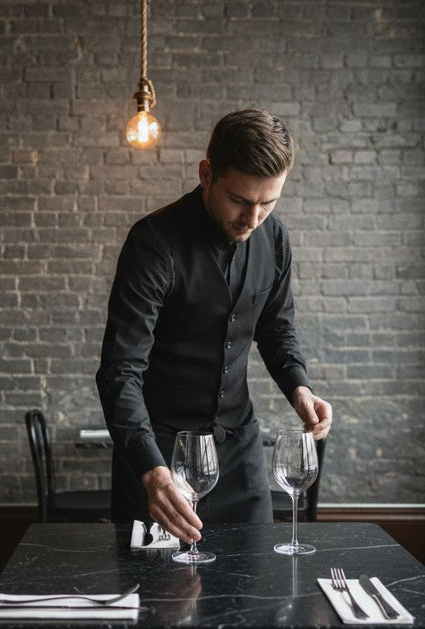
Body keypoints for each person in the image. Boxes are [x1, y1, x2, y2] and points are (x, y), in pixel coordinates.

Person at [96, 109, 332, 544]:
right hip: (160, 461)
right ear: (206, 174)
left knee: (254, 594)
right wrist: (152, 472)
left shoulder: (274, 239)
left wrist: (300, 388)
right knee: (161, 602)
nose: (253, 218)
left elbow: (277, 329)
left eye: (269, 202)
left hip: (239, 456)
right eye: (240, 200)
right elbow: (120, 372)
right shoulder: (153, 244)